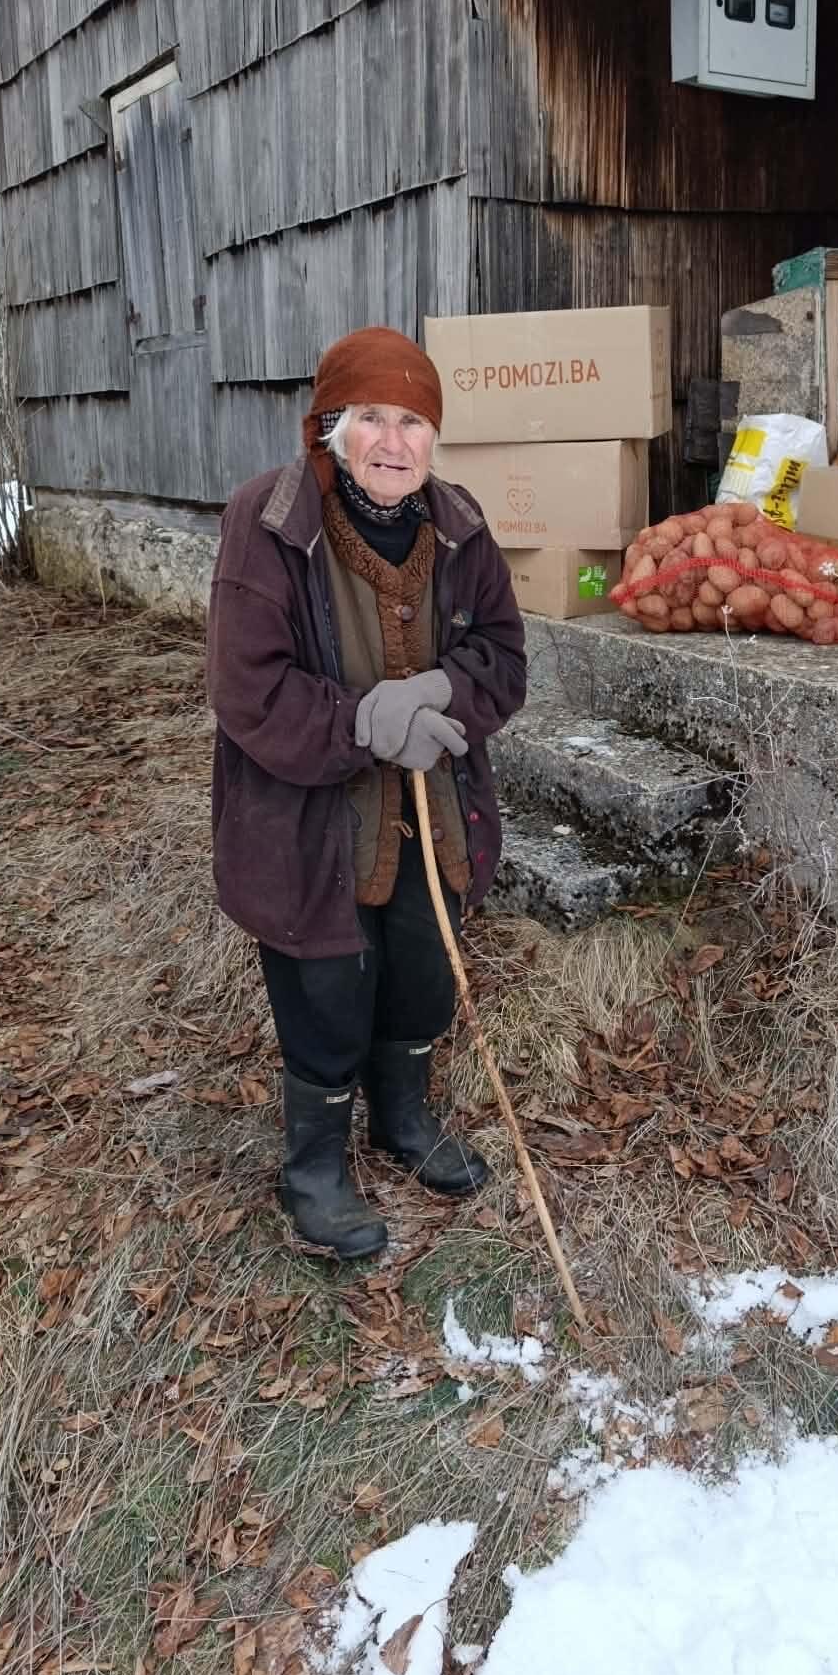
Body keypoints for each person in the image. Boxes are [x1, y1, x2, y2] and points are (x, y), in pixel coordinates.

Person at [206, 326, 527, 1259]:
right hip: (309, 818)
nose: (394, 441)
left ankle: (402, 1118)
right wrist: (365, 723)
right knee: (326, 983)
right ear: (332, 427)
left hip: (432, 809)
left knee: (422, 962)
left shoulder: (458, 523)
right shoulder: (269, 521)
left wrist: (441, 693)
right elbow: (247, 688)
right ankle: (314, 1165)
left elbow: (504, 656)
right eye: (372, 418)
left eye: (414, 421)